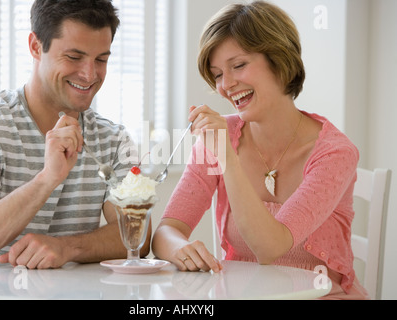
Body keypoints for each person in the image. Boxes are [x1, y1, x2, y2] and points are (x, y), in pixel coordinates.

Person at [152, 1, 368, 299]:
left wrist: (227, 157)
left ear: (279, 60)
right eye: (216, 74)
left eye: (238, 65)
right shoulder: (219, 136)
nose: (226, 85)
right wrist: (182, 248)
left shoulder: (335, 153)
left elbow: (270, 248)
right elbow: (166, 231)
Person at [0, 0, 144, 269]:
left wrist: (67, 247)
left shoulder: (114, 140)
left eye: (101, 59)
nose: (89, 74)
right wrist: (47, 179)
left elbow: (137, 236)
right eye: (74, 57)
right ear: (35, 47)